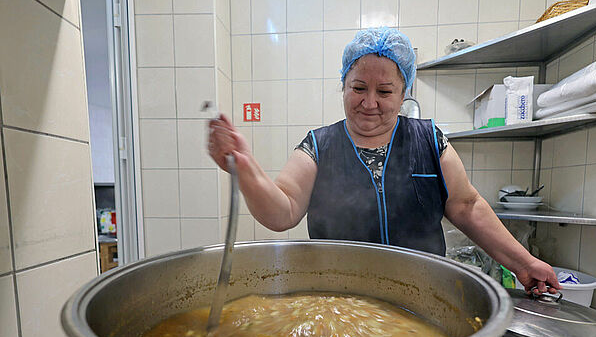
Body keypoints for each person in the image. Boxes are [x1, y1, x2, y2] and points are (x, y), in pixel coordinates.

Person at [208, 27, 559, 295]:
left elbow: (467, 207)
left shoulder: (430, 141)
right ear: (343, 86)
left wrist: (523, 263)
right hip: (339, 301)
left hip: (423, 299)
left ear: (404, 93)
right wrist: (245, 166)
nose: (369, 102)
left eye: (385, 91)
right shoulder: (319, 145)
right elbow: (281, 210)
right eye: (358, 88)